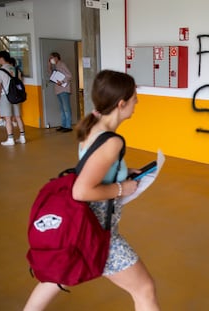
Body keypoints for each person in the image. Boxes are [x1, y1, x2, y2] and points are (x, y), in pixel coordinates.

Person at [23, 70, 160, 311]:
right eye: (134, 97)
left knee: (58, 275)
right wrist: (121, 187)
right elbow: (81, 191)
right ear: (121, 103)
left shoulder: (93, 126)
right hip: (95, 230)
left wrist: (123, 173)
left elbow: (94, 167)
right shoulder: (112, 141)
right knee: (144, 289)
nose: (137, 102)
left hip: (80, 226)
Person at [0, 50, 26, 146]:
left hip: (5, 96)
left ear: (2, 58)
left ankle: (10, 139)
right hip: (16, 95)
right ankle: (22, 137)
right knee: (18, 117)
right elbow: (20, 82)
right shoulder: (16, 69)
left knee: (8, 119)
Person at [47, 52, 73, 132]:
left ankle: (68, 126)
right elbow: (51, 76)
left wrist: (61, 81)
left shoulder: (62, 64)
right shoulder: (56, 66)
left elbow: (69, 75)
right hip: (58, 90)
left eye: (52, 57)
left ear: (56, 57)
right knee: (62, 108)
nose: (51, 59)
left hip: (64, 89)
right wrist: (49, 66)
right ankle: (63, 125)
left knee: (66, 108)